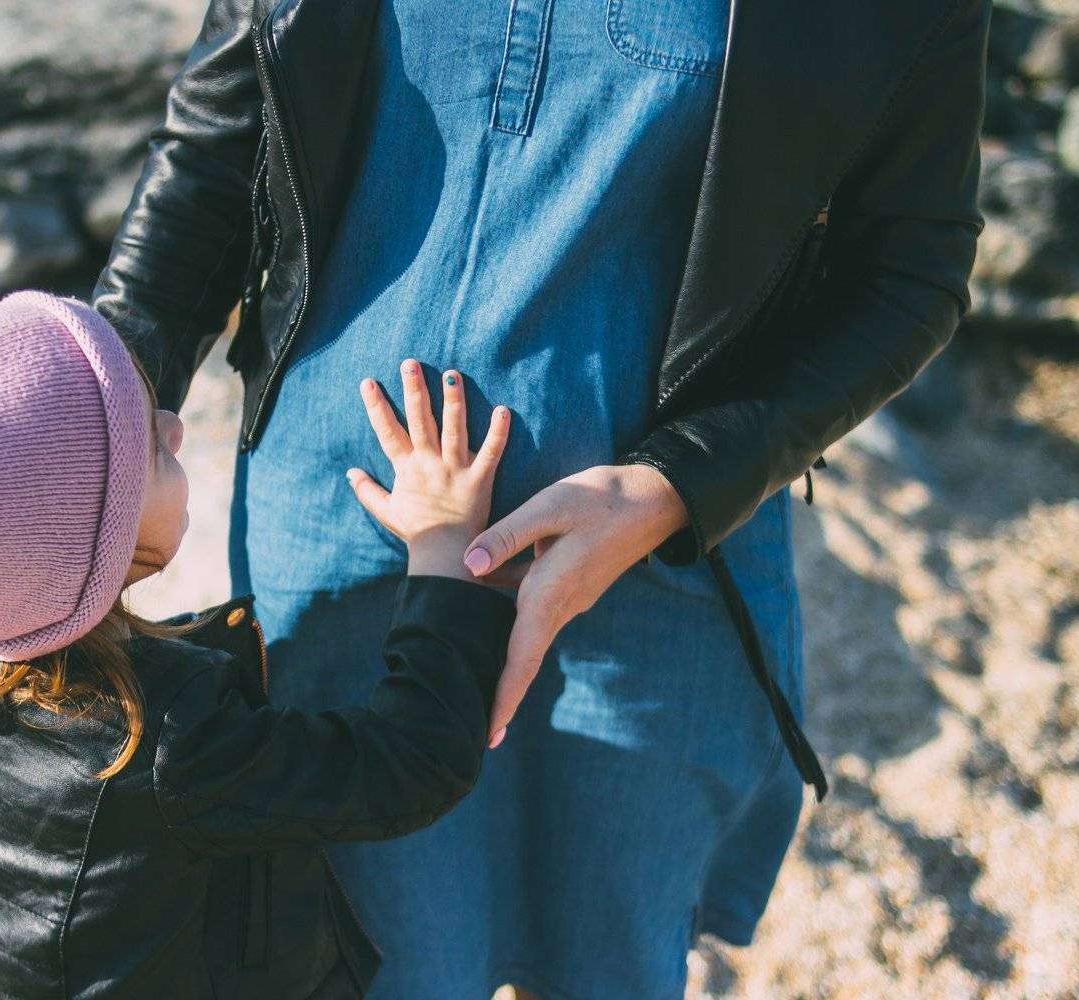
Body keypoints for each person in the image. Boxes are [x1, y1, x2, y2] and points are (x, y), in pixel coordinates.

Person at [92, 0, 989, 996]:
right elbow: (215, 150)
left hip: (654, 576)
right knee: (367, 964)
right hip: (334, 540)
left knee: (607, 964)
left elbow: (910, 269)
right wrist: (77, 445)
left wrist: (678, 482)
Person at [0, 289, 519, 998]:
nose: (176, 426)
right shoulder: (168, 739)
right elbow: (411, 764)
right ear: (70, 547)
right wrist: (443, 553)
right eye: (152, 447)